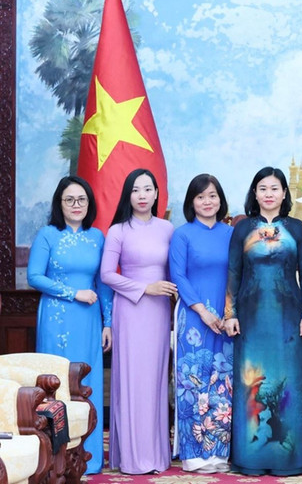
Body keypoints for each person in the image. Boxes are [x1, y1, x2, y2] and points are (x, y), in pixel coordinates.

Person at [223, 167, 302, 476]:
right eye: (262, 188)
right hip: (250, 317)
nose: (269, 194)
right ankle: (251, 456)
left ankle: (288, 457)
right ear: (255, 193)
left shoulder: (298, 228)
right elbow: (233, 273)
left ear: (285, 193)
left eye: (274, 188)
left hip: (288, 319)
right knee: (252, 381)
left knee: (287, 382)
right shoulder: (242, 228)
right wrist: (230, 313)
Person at [27, 176, 113, 474]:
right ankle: (54, 458)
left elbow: (102, 284)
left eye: (82, 200)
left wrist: (108, 322)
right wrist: (73, 293)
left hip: (89, 320)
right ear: (59, 204)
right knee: (57, 386)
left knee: (86, 384)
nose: (76, 205)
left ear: (89, 204)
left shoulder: (97, 237)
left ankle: (87, 457)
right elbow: (34, 277)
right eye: (69, 200)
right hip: (56, 317)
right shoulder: (48, 235)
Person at [101, 168, 176, 474]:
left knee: (156, 382)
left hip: (159, 312)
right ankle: (131, 457)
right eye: (136, 190)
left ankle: (157, 456)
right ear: (127, 195)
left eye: (148, 189)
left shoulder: (167, 229)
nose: (142, 195)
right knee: (132, 381)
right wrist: (145, 288)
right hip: (130, 311)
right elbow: (107, 274)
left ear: (157, 194)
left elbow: (174, 273)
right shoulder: (118, 230)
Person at [169, 174, 234, 473]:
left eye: (212, 196)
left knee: (222, 383)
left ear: (220, 200)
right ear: (191, 202)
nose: (207, 202)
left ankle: (219, 452)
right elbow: (178, 277)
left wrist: (229, 313)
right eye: (200, 197)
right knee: (192, 383)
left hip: (226, 318)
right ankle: (194, 453)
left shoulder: (231, 233)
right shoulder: (182, 234)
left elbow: (237, 274)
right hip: (194, 318)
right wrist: (203, 312)